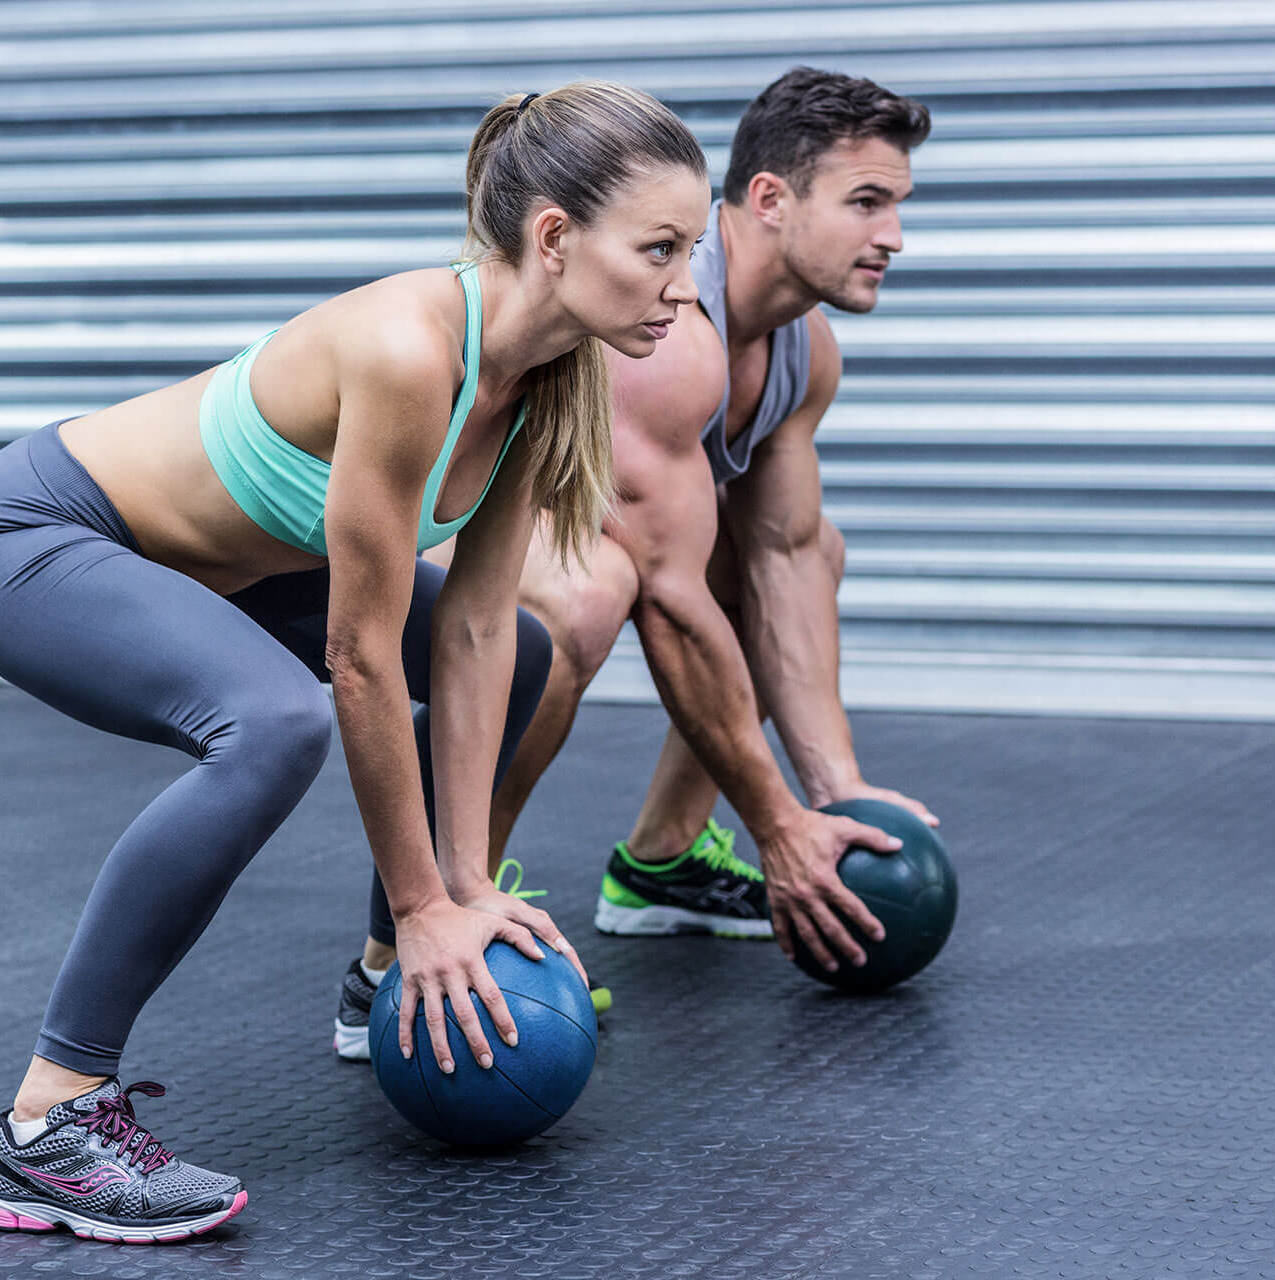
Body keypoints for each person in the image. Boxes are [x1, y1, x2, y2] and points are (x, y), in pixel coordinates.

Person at [0, 83, 709, 1243]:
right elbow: (358, 655)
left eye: (691, 251)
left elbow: (477, 630)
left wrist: (462, 887)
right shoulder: (407, 349)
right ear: (555, 237)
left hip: (231, 567)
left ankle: (384, 976)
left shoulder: (551, 373)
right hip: (35, 537)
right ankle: (48, 1121)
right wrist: (423, 894)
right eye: (660, 249)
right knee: (276, 722)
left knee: (530, 653)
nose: (686, 287)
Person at [334, 69, 936, 1057]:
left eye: (899, 205)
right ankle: (420, 932)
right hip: (458, 563)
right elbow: (668, 596)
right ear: (771, 199)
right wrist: (778, 825)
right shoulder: (671, 337)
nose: (895, 236)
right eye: (867, 202)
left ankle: (662, 862)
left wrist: (835, 795)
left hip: (605, 551)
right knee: (588, 591)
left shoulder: (804, 353)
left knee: (809, 548)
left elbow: (784, 559)